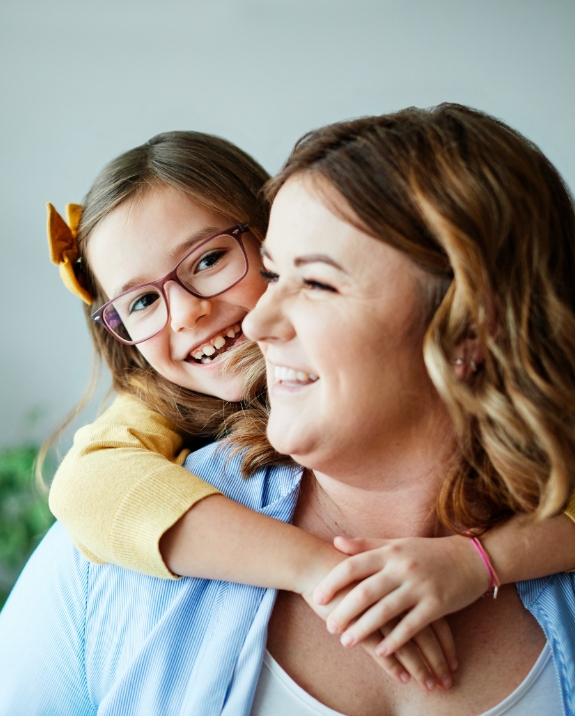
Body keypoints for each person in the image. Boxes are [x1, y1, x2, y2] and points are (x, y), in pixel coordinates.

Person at [1, 107, 575, 715]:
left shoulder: (544, 484)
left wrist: (480, 560)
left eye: (212, 261)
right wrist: (324, 572)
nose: (243, 318)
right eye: (141, 301)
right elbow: (88, 485)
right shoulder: (119, 537)